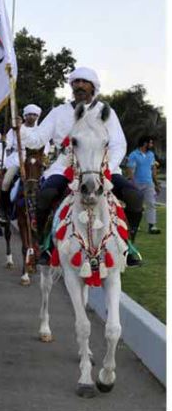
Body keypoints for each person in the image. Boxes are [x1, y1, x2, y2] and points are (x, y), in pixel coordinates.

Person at [20, 66, 143, 266]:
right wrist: (22, 130)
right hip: (66, 165)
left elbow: (119, 144)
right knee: (46, 195)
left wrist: (108, 169)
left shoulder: (106, 112)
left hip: (101, 167)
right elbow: (37, 140)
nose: (79, 86)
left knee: (135, 197)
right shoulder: (59, 112)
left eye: (84, 82)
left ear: (93, 87)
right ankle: (45, 246)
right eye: (75, 82)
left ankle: (128, 246)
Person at [0, 103, 43, 223]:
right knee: (6, 182)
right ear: (25, 116)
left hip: (35, 159)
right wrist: (4, 142)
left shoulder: (41, 130)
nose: (32, 117)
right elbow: (9, 144)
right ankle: (3, 211)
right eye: (29, 115)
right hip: (17, 158)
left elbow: (45, 146)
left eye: (34, 115)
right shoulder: (15, 129)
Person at [126, 135, 162, 235]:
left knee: (151, 203)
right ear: (145, 143)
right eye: (150, 143)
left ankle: (152, 226)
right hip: (136, 184)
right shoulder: (134, 154)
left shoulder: (151, 154)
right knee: (135, 206)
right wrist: (133, 184)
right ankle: (133, 226)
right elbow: (130, 171)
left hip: (149, 184)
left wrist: (156, 184)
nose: (152, 144)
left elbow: (153, 170)